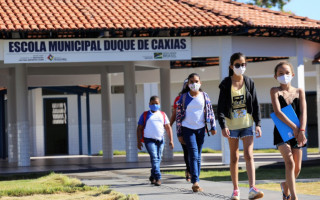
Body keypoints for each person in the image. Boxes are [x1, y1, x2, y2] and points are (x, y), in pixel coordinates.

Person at [217, 52, 264, 200]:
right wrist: (223, 125)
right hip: (231, 126)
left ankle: (252, 188)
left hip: (247, 124)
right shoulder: (226, 84)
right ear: (231, 66)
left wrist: (258, 124)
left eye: (243, 64)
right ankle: (236, 190)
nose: (241, 67)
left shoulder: (249, 82)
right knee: (234, 157)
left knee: (249, 155)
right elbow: (221, 108)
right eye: (238, 65)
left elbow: (256, 104)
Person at [270, 61, 307, 200]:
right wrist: (295, 128)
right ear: (275, 76)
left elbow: (303, 112)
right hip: (282, 131)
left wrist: (301, 130)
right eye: (280, 73)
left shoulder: (300, 91)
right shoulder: (274, 91)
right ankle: (293, 197)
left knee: (297, 168)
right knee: (290, 163)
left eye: (286, 73)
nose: (284, 75)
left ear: (292, 74)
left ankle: (285, 187)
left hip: (299, 132)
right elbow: (278, 112)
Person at [176, 73, 217, 192]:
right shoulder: (183, 97)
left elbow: (210, 111)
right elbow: (178, 117)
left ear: (200, 83)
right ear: (188, 84)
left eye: (196, 81)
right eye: (191, 82)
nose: (194, 84)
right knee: (193, 153)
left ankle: (196, 180)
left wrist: (213, 126)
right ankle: (195, 181)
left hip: (201, 129)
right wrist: (179, 134)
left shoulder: (204, 96)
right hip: (187, 128)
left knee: (198, 155)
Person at [137, 96, 174, 186]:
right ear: (149, 104)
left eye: (157, 103)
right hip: (149, 140)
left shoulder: (162, 114)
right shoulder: (145, 114)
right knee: (154, 157)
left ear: (159, 104)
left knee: (158, 158)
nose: (155, 105)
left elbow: (168, 128)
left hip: (160, 140)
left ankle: (153, 175)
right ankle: (158, 177)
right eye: (153, 103)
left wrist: (171, 140)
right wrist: (138, 141)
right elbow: (139, 128)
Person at [170, 79, 191, 182]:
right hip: (182, 128)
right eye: (187, 84)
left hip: (195, 128)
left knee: (194, 151)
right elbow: (175, 114)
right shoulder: (178, 98)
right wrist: (169, 125)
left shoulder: (199, 96)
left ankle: (192, 171)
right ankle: (189, 170)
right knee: (186, 150)